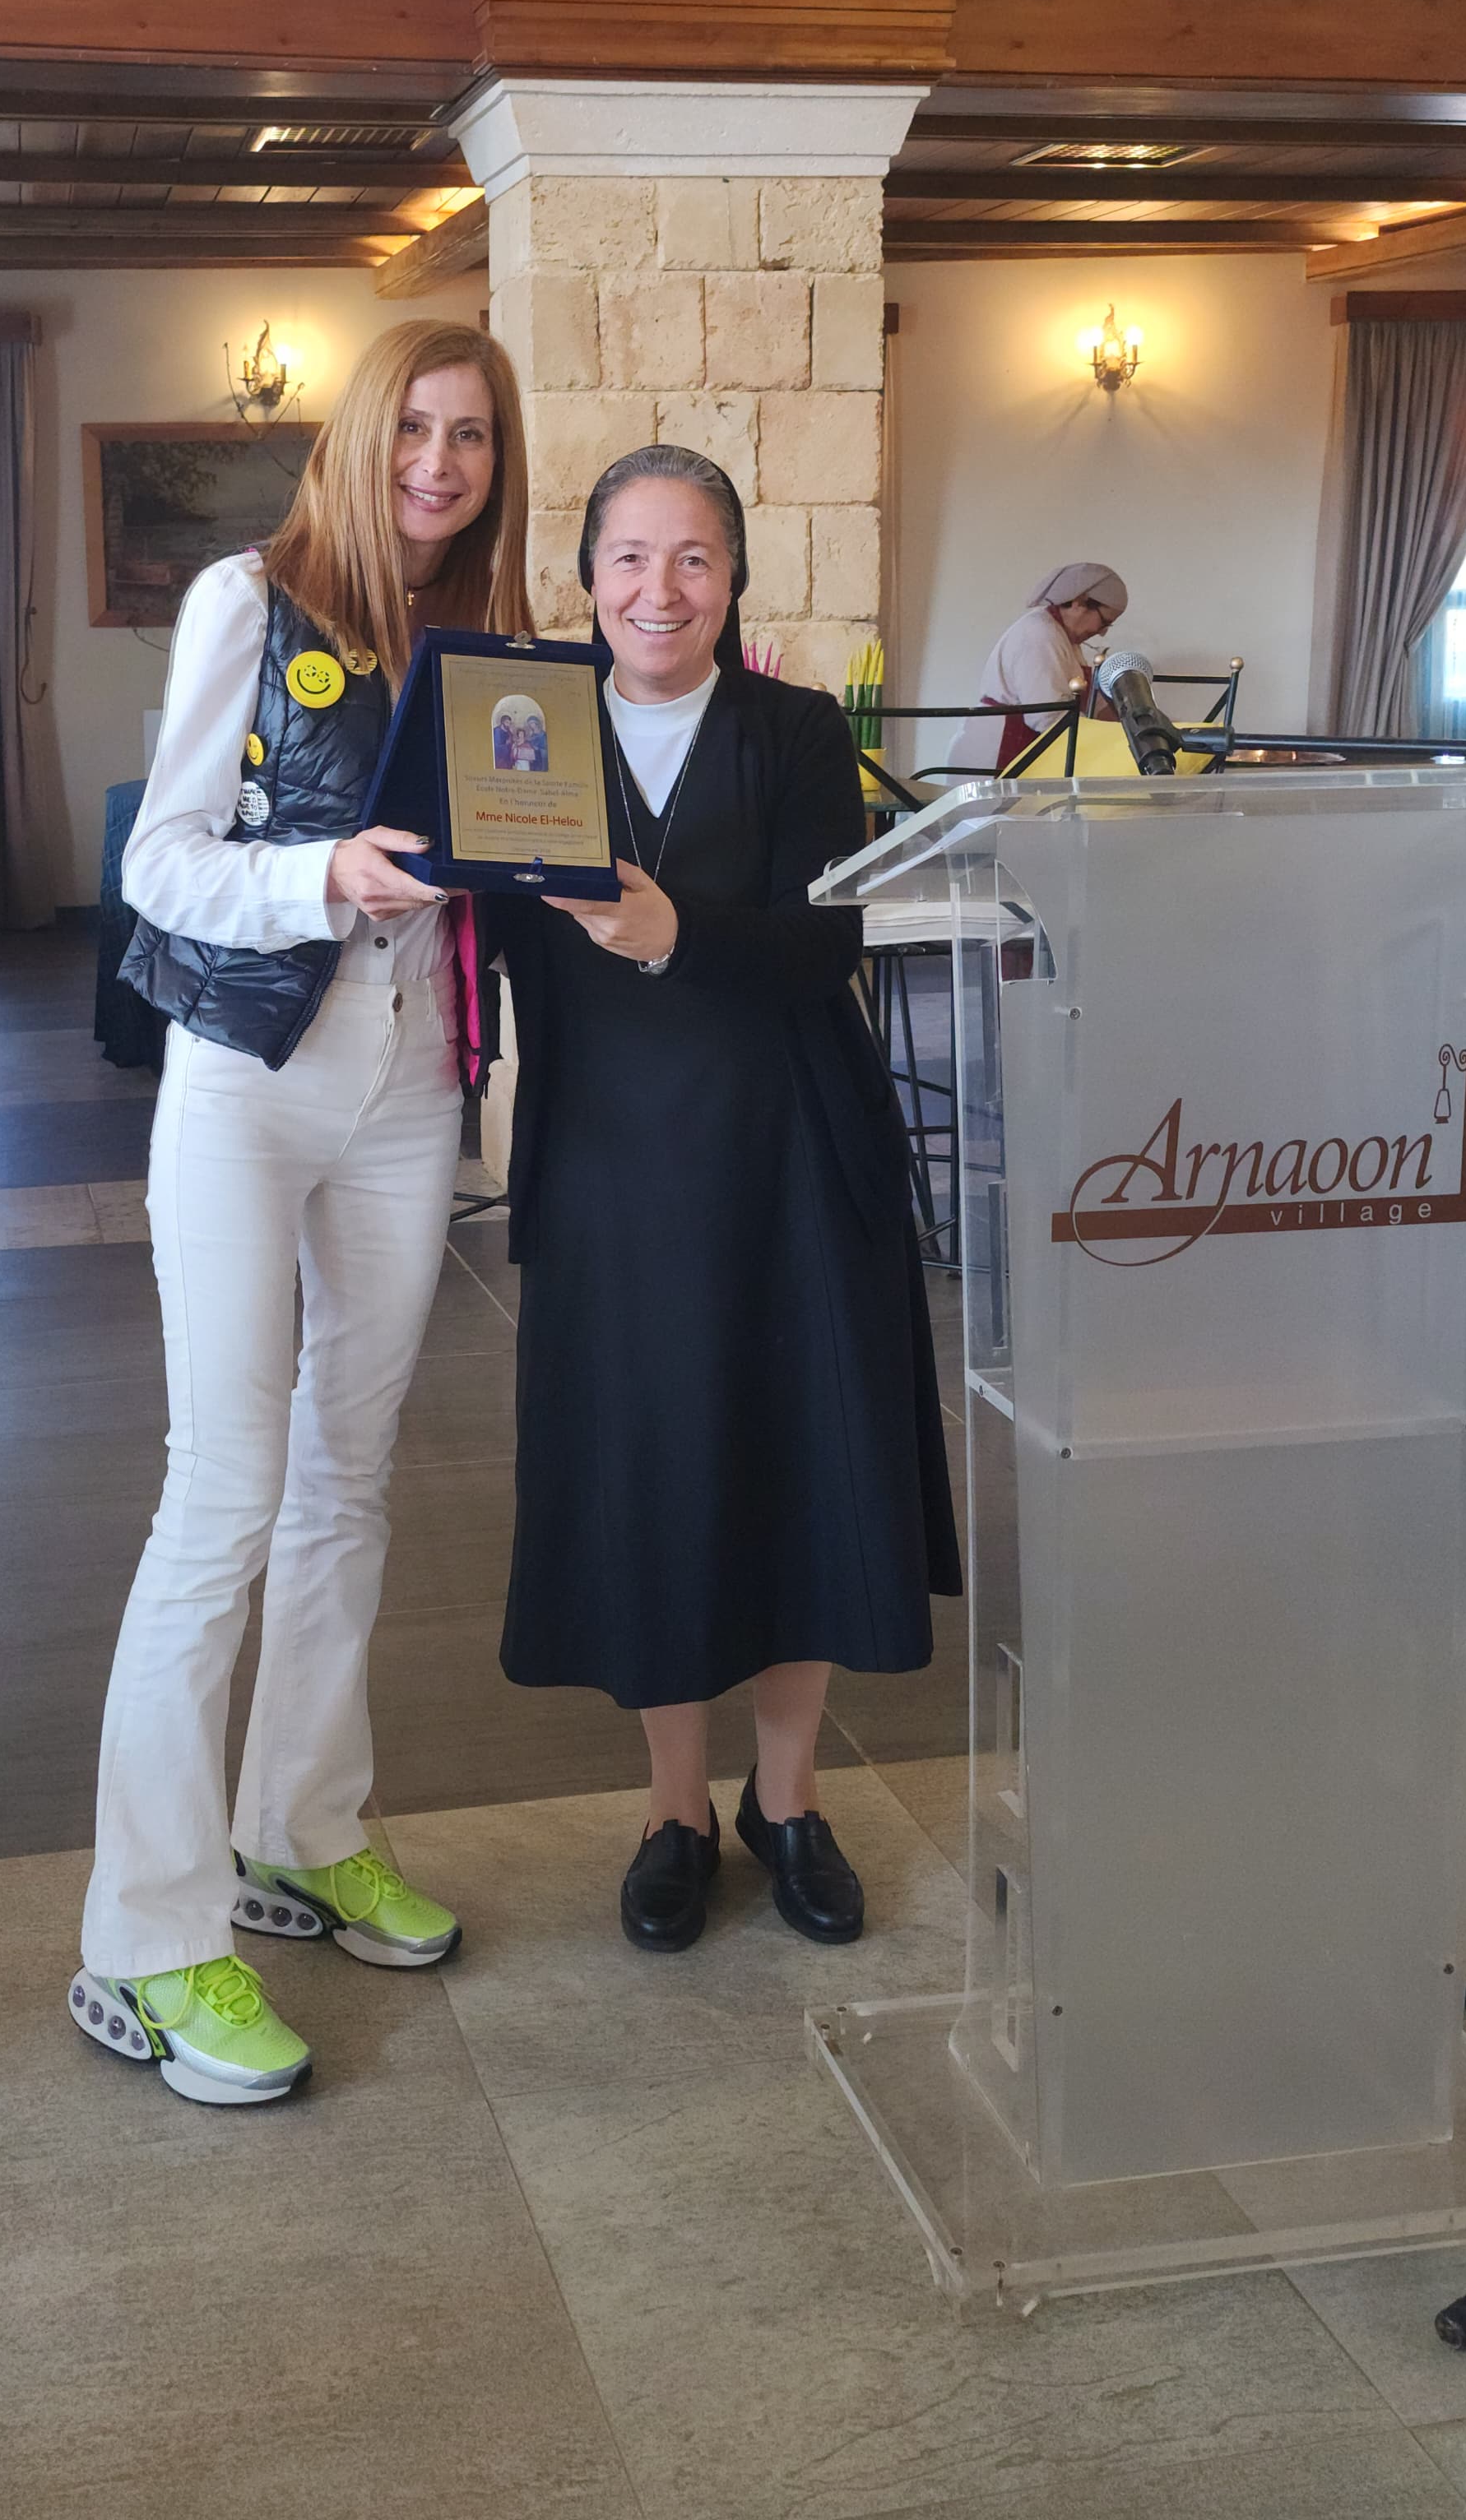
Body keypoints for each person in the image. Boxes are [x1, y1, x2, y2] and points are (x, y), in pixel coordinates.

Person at [69, 321, 532, 2103]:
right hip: (246, 1085)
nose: (438, 463)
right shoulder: (248, 602)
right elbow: (160, 862)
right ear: (357, 433)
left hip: (411, 1095)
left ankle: (303, 1825)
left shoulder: (484, 638)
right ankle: (146, 1932)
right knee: (223, 1495)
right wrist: (319, 874)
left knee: (350, 1477)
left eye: (470, 436)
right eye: (414, 427)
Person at [494, 445, 963, 1955]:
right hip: (614, 1166)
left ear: (735, 579)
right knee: (655, 1473)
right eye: (630, 556)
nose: (661, 588)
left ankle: (790, 1800)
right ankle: (674, 1810)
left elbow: (827, 944)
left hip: (790, 1155)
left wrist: (672, 929)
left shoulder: (797, 729)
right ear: (586, 577)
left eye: (694, 557)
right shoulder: (520, 729)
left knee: (796, 1464)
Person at [947, 561, 1129, 771]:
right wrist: (1109, 742)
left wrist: (1131, 730)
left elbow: (1096, 708)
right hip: (996, 752)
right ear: (1079, 602)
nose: (1102, 632)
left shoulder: (1065, 640)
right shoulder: (1040, 634)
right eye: (1104, 622)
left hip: (1020, 747)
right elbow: (1049, 717)